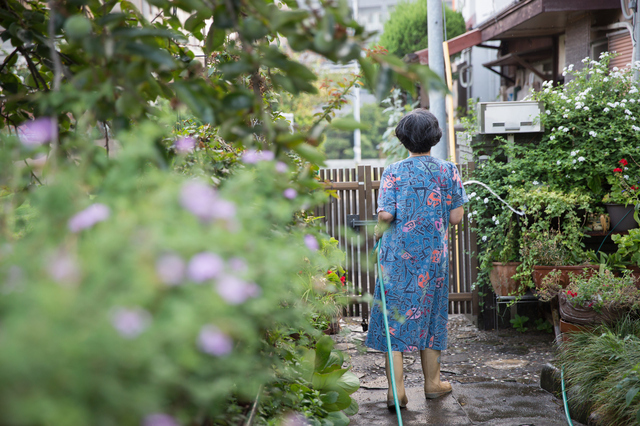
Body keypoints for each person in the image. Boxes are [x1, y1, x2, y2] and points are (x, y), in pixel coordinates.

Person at [364, 108, 468, 410]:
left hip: (396, 258)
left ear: (403, 138)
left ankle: (396, 392)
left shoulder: (393, 171)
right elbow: (456, 217)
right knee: (432, 315)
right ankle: (433, 384)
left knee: (392, 319)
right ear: (434, 138)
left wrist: (377, 230)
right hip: (433, 258)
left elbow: (386, 214)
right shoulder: (448, 170)